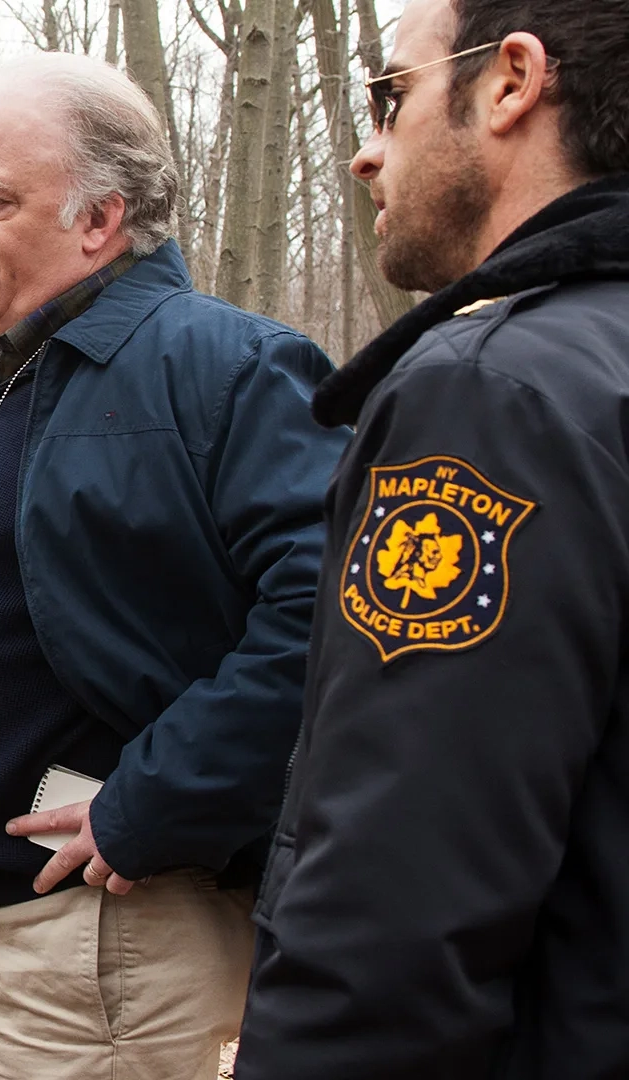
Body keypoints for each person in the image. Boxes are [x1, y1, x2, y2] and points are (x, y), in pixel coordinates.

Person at [0, 54, 347, 1079]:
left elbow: (330, 616)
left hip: (89, 946)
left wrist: (153, 802)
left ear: (100, 220)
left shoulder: (223, 368)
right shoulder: (22, 363)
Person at [237, 2, 629, 1075]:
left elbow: (399, 899)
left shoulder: (495, 398)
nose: (366, 153)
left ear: (510, 83)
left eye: (390, 96)